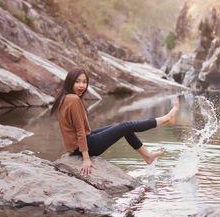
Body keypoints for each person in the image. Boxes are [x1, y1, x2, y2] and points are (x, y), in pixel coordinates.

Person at [50, 68, 179, 177]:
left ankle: (148, 157)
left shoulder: (65, 98)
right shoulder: (73, 100)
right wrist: (86, 158)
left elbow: (77, 131)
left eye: (84, 82)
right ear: (69, 82)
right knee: (125, 126)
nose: (82, 85)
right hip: (86, 146)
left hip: (77, 146)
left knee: (123, 127)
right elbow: (79, 131)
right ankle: (164, 119)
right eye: (77, 82)